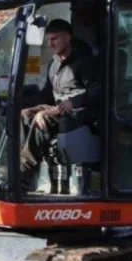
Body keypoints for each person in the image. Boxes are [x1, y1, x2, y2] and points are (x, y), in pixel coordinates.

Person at [20, 18, 101, 183]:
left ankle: (23, 172)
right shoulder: (54, 63)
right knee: (25, 114)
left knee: (41, 118)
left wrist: (73, 102)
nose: (50, 44)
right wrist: (18, 102)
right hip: (58, 107)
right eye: (48, 39)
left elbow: (97, 91)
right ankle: (21, 163)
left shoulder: (84, 62)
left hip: (80, 112)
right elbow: (46, 94)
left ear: (68, 38)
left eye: (54, 39)